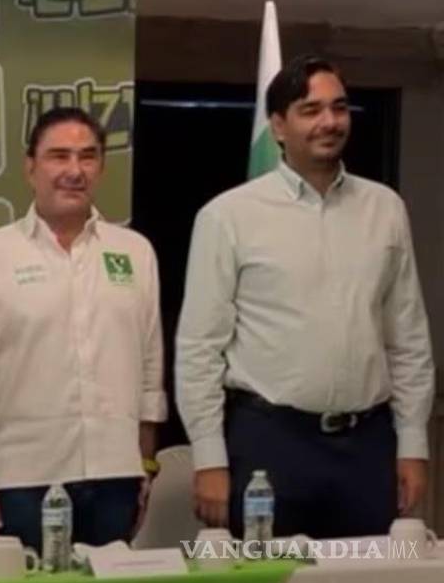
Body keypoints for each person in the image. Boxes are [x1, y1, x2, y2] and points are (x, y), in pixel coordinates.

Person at [177, 55, 434, 538]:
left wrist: (413, 444)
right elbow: (199, 349)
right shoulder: (228, 216)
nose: (329, 122)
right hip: (269, 444)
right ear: (278, 126)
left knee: (373, 576)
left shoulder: (385, 209)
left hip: (368, 447)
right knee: (269, 575)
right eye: (311, 110)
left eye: (339, 107)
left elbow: (408, 339)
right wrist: (209, 457)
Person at [0, 107, 165, 551]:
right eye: (59, 156)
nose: (74, 170)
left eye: (87, 156)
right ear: (30, 167)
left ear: (101, 167)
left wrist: (144, 465)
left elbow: (150, 369)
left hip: (116, 476)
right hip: (22, 480)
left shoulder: (135, 251)